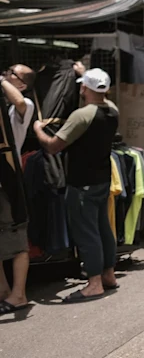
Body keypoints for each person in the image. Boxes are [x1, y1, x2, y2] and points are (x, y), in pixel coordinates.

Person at [33, 68, 119, 303]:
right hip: (102, 179)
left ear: (83, 88)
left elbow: (53, 146)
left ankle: (94, 284)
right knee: (102, 228)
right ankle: (108, 275)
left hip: (82, 183)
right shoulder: (112, 110)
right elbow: (103, 97)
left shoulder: (82, 115)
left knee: (87, 232)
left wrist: (38, 130)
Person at [0, 64, 35, 315]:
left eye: (13, 73)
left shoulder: (24, 106)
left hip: (9, 180)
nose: (8, 74)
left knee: (16, 235)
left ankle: (19, 294)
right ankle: (3, 291)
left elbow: (20, 101)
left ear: (21, 84)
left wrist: (1, 80)